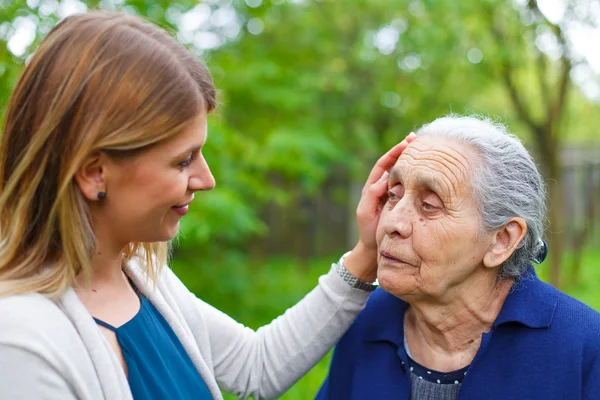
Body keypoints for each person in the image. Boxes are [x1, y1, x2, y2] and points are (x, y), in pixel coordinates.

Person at [0, 11, 415, 400]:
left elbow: (257, 365)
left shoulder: (144, 277)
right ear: (94, 173)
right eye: (182, 160)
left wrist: (365, 254)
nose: (206, 179)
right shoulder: (21, 342)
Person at [316, 115, 600, 400]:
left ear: (502, 240)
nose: (392, 222)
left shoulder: (582, 346)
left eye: (429, 205)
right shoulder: (366, 319)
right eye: (393, 195)